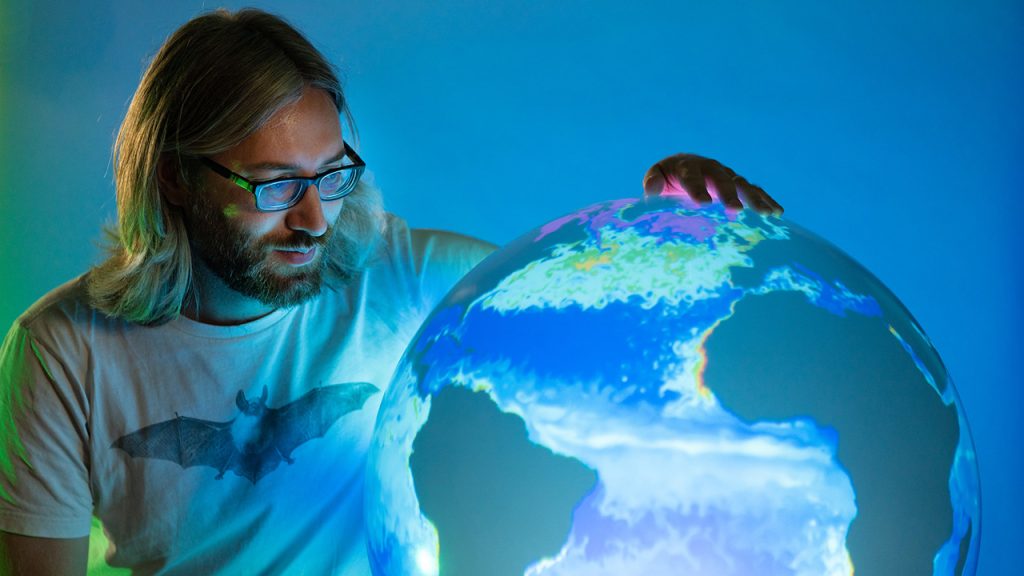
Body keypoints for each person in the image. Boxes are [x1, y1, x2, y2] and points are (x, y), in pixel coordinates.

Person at [0, 8, 780, 575]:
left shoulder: (398, 278)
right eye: (273, 186)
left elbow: (579, 295)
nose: (314, 219)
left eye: (331, 175)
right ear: (173, 175)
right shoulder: (64, 351)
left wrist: (665, 220)